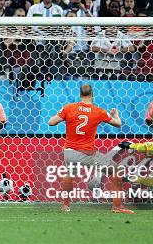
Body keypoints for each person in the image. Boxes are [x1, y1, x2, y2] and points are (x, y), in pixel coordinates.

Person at [48, 84, 132, 214]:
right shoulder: (98, 111)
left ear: (80, 95)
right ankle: (117, 206)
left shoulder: (69, 108)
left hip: (69, 152)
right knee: (115, 171)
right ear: (92, 95)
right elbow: (118, 124)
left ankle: (65, 205)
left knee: (70, 175)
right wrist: (116, 114)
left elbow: (51, 122)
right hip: (86, 153)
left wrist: (63, 115)